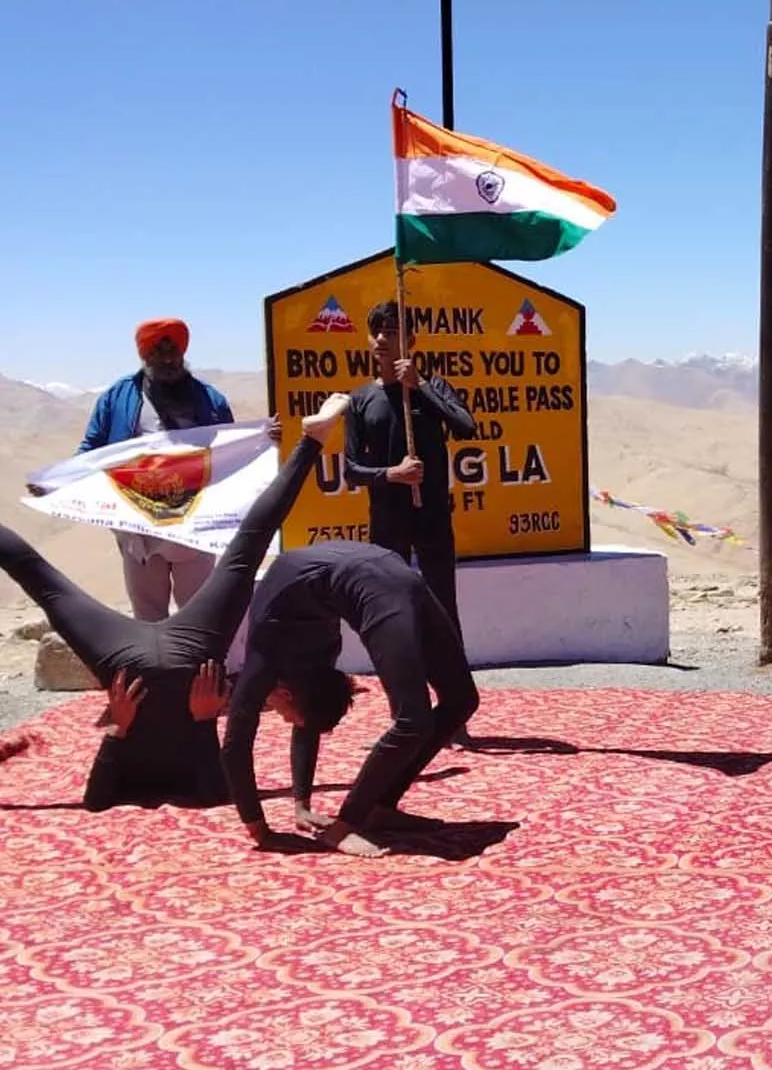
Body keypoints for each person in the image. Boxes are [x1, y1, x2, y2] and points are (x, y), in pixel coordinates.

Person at [2, 394, 352, 810]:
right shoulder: (248, 701)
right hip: (186, 658)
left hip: (130, 669)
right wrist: (201, 722)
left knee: (41, 579)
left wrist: (119, 728)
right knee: (246, 548)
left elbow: (96, 802)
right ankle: (310, 444)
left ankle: (311, 443)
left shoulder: (135, 768)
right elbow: (214, 793)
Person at [219, 537, 481, 859]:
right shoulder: (278, 655)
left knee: (451, 703)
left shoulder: (275, 654)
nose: (282, 719)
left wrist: (273, 828)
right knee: (422, 716)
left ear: (286, 693)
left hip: (386, 581)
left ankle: (348, 824)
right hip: (379, 570)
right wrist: (275, 822)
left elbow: (277, 727)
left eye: (288, 717)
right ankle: (374, 809)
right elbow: (234, 743)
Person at [78, 318, 241, 620]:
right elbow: (91, 449)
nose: (167, 359)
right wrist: (58, 484)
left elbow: (234, 447)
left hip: (194, 524)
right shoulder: (119, 397)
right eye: (158, 352)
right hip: (138, 525)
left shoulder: (209, 399)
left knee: (198, 612)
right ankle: (154, 668)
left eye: (173, 352)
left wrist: (264, 440)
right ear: (144, 356)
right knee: (148, 612)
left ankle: (195, 668)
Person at [343, 300, 477, 632]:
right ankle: (401, 674)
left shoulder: (434, 387)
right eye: (376, 333)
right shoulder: (360, 400)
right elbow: (350, 469)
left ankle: (452, 675)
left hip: (431, 513)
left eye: (392, 332)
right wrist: (392, 475)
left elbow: (465, 426)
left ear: (411, 341)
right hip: (387, 518)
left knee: (442, 600)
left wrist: (420, 386)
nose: (382, 340)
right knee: (389, 601)